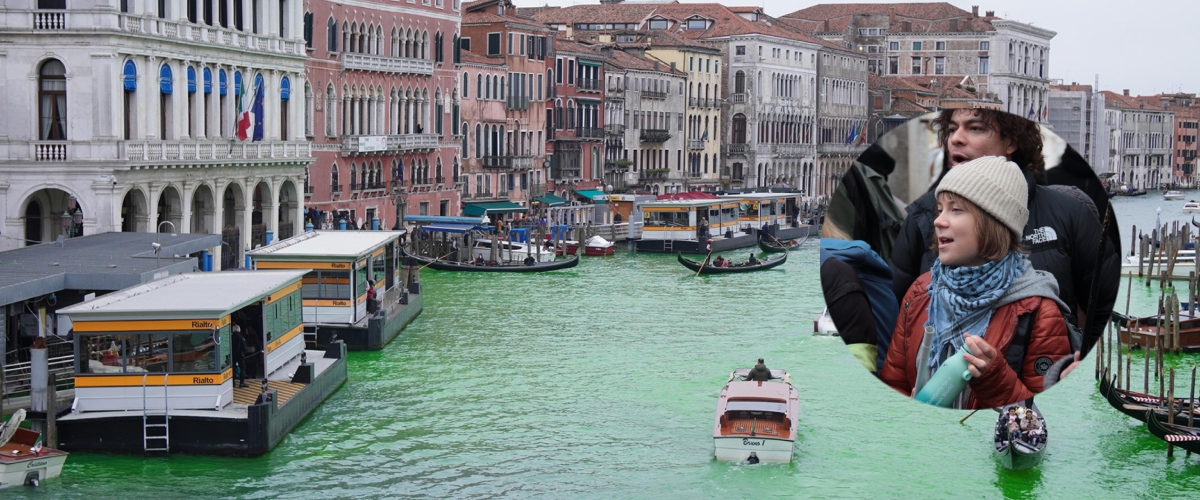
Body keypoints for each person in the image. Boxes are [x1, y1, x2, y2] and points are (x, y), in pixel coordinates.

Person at [891, 109, 1118, 370]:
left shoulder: (1070, 214)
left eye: (975, 128)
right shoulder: (922, 218)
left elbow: (1104, 308)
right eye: (952, 129)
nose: (956, 139)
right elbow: (898, 322)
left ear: (1011, 142)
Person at [879, 156, 1074, 409]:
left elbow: (1044, 417)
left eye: (956, 209)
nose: (938, 220)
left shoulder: (1039, 312)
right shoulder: (920, 291)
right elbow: (894, 384)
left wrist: (994, 378)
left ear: (994, 222)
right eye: (940, 210)